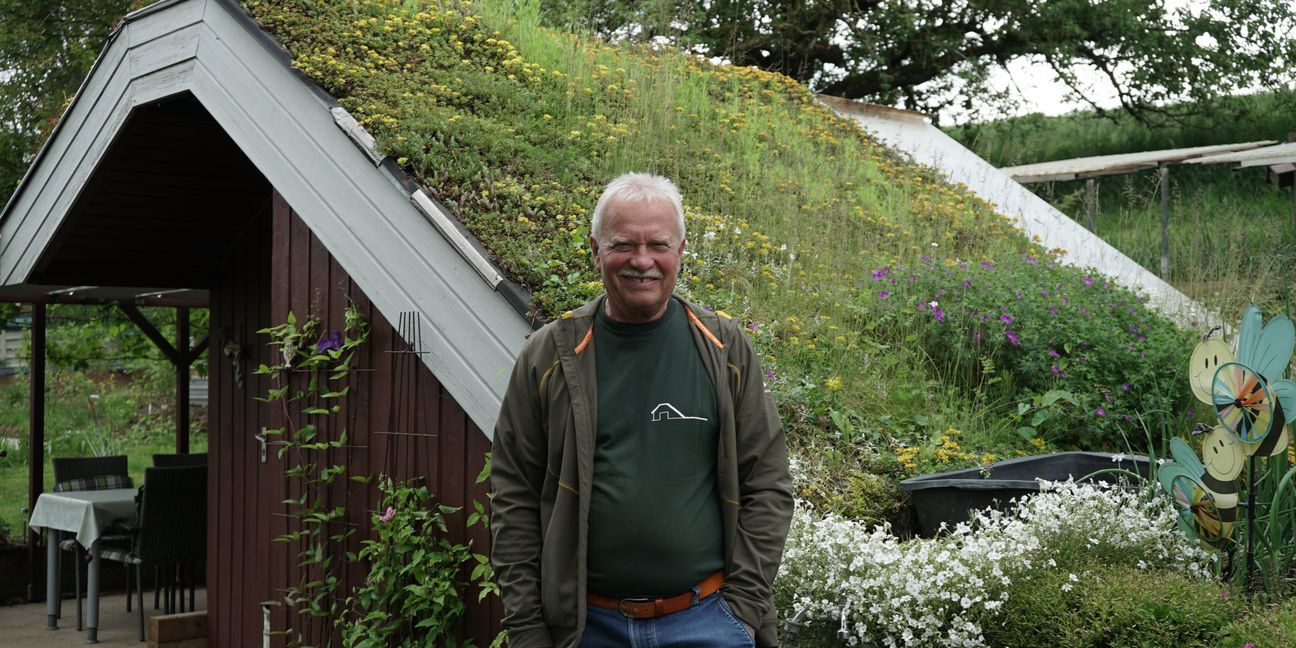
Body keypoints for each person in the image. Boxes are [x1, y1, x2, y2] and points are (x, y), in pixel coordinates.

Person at [490, 172, 794, 647]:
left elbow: (768, 483)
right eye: (623, 244)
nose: (642, 261)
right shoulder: (550, 355)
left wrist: (746, 609)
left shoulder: (724, 348)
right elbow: (514, 494)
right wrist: (528, 628)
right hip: (587, 628)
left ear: (681, 250)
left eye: (658, 244)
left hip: (708, 620)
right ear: (595, 249)